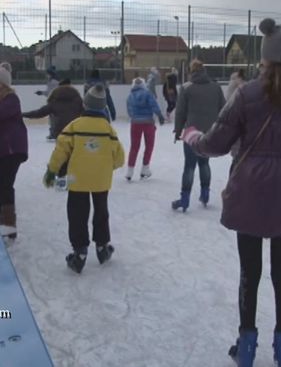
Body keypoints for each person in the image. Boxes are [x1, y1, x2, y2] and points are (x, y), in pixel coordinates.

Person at [181, 18, 281, 367]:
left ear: (264, 54)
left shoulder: (246, 94)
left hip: (250, 189)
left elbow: (216, 143)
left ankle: (246, 346)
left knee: (250, 272)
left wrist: (192, 138)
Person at [43, 84, 125, 273]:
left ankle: (79, 252)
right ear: (103, 107)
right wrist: (105, 167)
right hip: (101, 181)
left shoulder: (74, 126)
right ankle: (102, 247)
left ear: (85, 105)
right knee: (101, 212)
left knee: (77, 214)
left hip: (76, 179)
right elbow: (119, 158)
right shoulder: (108, 130)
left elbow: (60, 151)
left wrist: (52, 171)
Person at [172, 59, 225, 212]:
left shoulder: (187, 88)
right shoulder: (216, 88)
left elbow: (180, 112)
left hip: (191, 133)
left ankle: (184, 199)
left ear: (191, 71)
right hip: (209, 132)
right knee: (204, 163)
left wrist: (177, 130)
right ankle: (205, 194)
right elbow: (223, 109)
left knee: (189, 166)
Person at [0, 62, 28, 240]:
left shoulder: (11, 99)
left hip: (12, 150)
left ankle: (9, 227)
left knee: (5, 186)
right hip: (4, 150)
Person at [126, 78, 165, 181]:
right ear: (143, 84)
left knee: (134, 147)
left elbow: (129, 110)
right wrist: (160, 115)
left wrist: (134, 117)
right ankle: (145, 168)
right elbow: (153, 105)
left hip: (135, 123)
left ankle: (130, 171)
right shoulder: (148, 93)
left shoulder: (130, 96)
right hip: (148, 123)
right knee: (149, 145)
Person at [35, 65, 60, 140]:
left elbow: (50, 92)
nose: (46, 75)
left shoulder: (53, 82)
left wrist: (42, 93)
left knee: (53, 118)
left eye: (47, 74)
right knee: (53, 118)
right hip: (54, 101)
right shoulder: (53, 81)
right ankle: (54, 133)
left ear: (50, 74)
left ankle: (54, 133)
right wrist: (42, 93)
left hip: (54, 102)